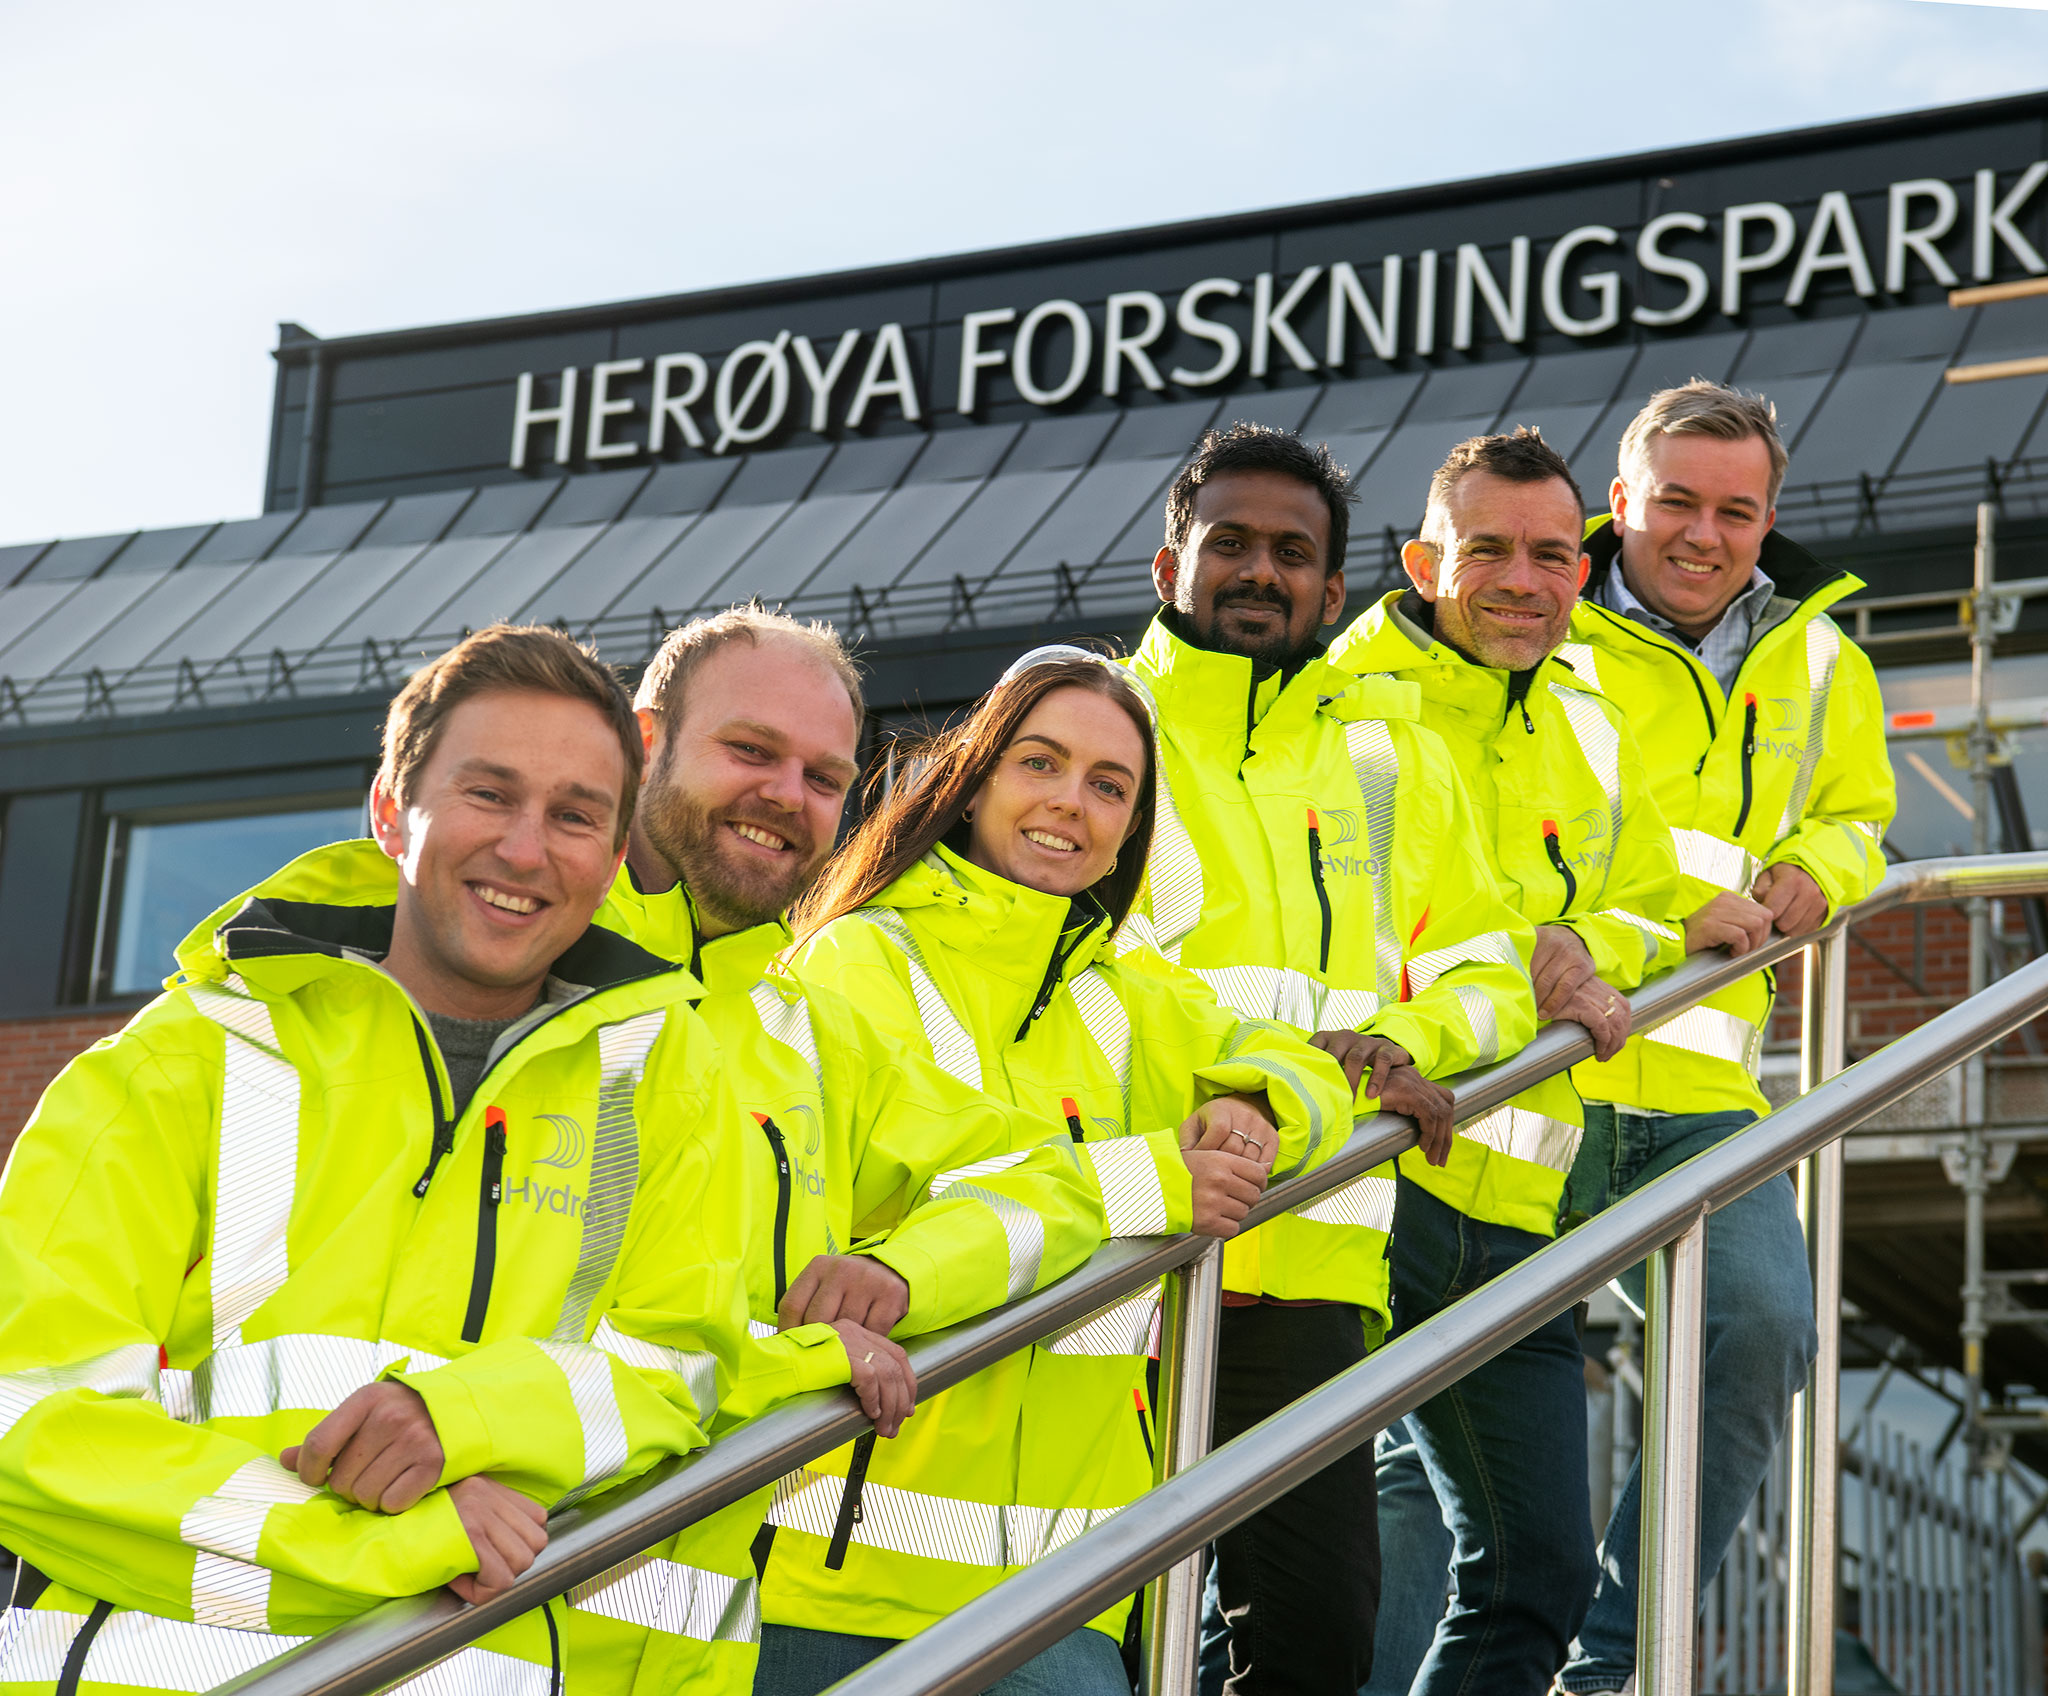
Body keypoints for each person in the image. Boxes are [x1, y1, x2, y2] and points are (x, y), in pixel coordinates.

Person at [0, 625, 774, 1696]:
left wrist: (457, 1418)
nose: (525, 848)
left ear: (610, 857)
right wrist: (385, 1544)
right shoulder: (173, 1067)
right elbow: (31, 1421)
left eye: (574, 815)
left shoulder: (664, 1085)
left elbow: (679, 1368)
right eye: (488, 794)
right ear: (386, 813)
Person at [781, 646, 1354, 1692]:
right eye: (1039, 764)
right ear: (974, 778)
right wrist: (1151, 1179)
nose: (1069, 805)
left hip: (1071, 1594)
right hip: (834, 1588)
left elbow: (1309, 1069)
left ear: (1133, 826)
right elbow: (953, 1175)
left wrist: (1253, 1101)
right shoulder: (857, 961)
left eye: (1108, 786)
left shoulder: (1134, 994)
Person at [593, 610, 1128, 1696]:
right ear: (644, 742)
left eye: (824, 775)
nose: (787, 796)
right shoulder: (505, 987)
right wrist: (812, 1359)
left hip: (693, 1641)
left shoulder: (794, 1029)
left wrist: (899, 1274)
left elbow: (1043, 1186)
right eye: (750, 751)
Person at [1125, 422, 1542, 1696]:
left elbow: (1486, 972)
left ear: (1334, 589)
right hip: (1119, 1249)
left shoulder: (1389, 754)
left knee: (1312, 1639)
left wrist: (1396, 1042)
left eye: (1290, 552)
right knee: (1111, 1634)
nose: (1259, 571)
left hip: (1312, 1261)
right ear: (1168, 566)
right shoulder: (1092, 727)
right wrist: (1284, 1057)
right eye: (1230, 542)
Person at [1327, 430, 1685, 1695]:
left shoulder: (1586, 711)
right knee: (1296, 1585)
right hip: (1365, 1180)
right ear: (1425, 560)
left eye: (1550, 553)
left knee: (1536, 1572)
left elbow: (1660, 907)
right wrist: (1508, 950)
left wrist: (1576, 940)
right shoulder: (1342, 705)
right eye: (1486, 550)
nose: (1523, 579)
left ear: (1582, 571)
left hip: (1512, 1191)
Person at [1551, 382, 1896, 1696]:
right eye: (1676, 503)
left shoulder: (1818, 656)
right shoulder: (1536, 619)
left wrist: (1821, 860)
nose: (1703, 535)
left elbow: (1860, 813)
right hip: (1532, 1080)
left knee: (1761, 1328)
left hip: (1701, 1085)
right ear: (1621, 500)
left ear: (1769, 516)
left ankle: (1616, 1667)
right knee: (1449, 1423)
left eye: (1735, 511)